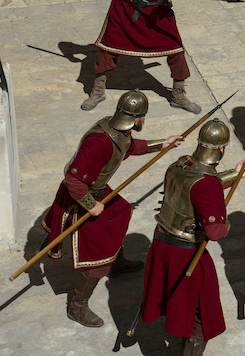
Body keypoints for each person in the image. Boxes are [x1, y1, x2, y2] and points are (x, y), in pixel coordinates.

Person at [41, 90, 183, 327]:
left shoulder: (117, 129)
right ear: (138, 118)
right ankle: (77, 306)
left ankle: (116, 261)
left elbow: (129, 146)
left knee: (121, 210)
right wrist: (90, 206)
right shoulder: (99, 142)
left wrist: (162, 143)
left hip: (97, 190)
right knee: (99, 258)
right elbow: (73, 179)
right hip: (82, 197)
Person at [141, 118, 245, 355]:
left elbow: (197, 187)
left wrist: (235, 173)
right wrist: (226, 222)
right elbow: (214, 231)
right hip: (186, 251)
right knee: (203, 312)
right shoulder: (207, 183)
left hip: (162, 242)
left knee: (183, 301)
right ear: (222, 148)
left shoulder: (179, 165)